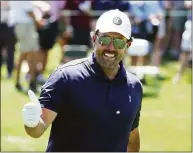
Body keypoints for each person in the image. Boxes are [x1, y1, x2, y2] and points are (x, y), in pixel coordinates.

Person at [22, 9, 143, 152]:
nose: (111, 48)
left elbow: (131, 136)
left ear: (127, 45)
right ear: (94, 38)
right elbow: (38, 129)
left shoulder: (134, 86)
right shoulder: (65, 77)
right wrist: (31, 122)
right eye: (104, 39)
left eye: (118, 42)